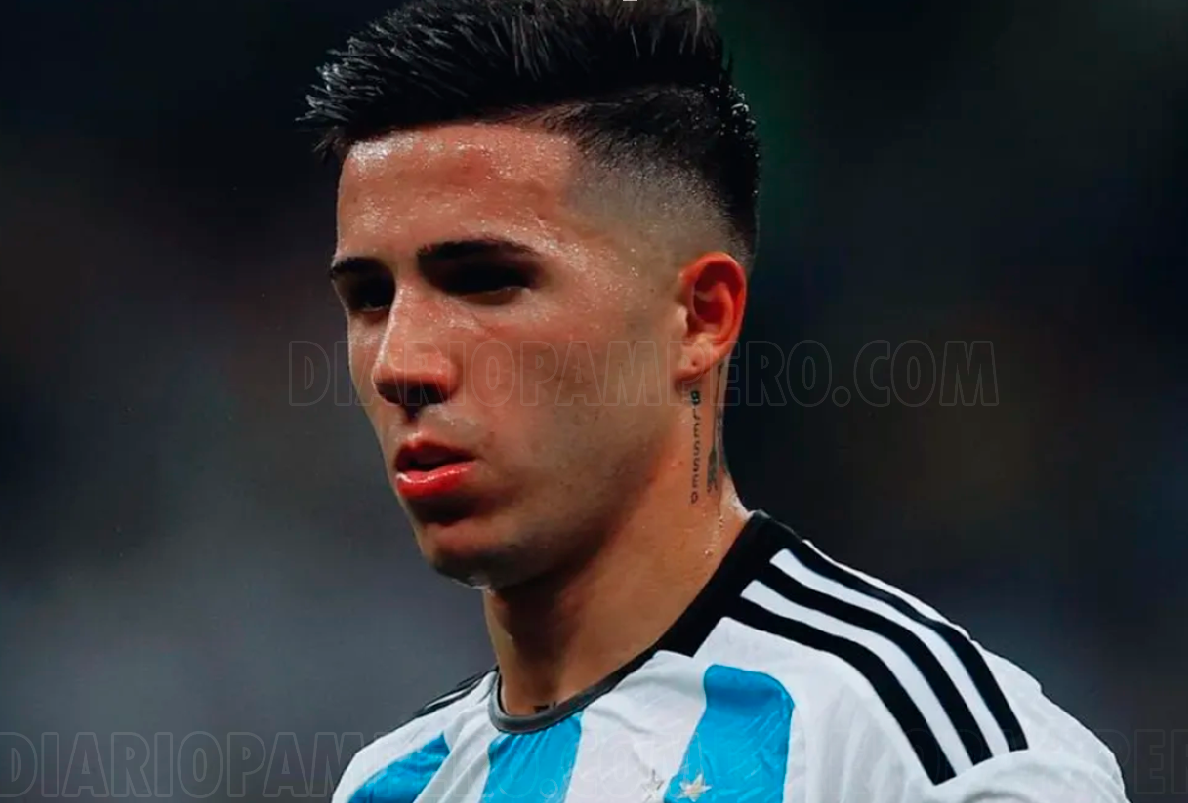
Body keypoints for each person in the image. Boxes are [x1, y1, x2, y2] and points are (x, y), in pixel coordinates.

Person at [302, 1, 1128, 800]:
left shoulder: (922, 758)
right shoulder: (392, 781)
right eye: (369, 297)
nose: (401, 363)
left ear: (700, 318)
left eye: (487, 280)